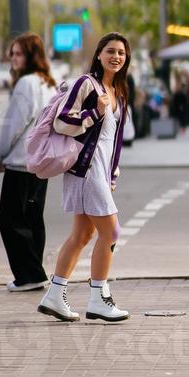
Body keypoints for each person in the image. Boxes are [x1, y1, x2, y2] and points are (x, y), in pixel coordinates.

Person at [37, 32, 131, 323]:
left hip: (100, 171)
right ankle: (98, 298)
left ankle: (54, 295)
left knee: (82, 235)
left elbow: (113, 141)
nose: (116, 56)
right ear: (99, 54)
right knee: (111, 233)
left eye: (121, 53)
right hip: (85, 170)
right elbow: (62, 121)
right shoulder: (86, 84)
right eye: (110, 51)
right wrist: (94, 112)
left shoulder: (118, 91)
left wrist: (113, 172)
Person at [0, 33, 56, 294]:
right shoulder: (48, 83)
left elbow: (13, 126)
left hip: (21, 161)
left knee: (9, 218)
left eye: (18, 53)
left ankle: (29, 275)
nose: (13, 59)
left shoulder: (25, 84)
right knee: (33, 218)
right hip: (41, 162)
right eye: (12, 54)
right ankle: (34, 272)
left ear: (31, 56)